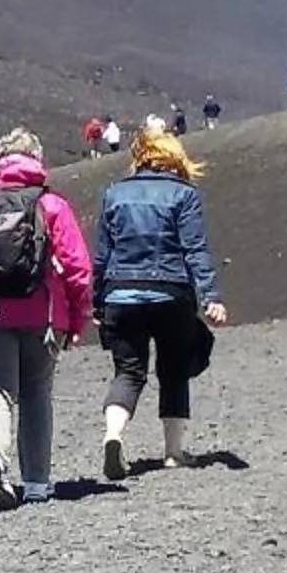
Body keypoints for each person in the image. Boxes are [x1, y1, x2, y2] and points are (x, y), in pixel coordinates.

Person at [0, 128, 94, 510]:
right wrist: (77, 320)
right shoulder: (52, 206)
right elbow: (78, 270)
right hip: (44, 315)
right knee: (36, 392)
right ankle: (37, 482)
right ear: (37, 160)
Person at [91, 125, 228, 478]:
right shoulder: (183, 194)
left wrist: (97, 302)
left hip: (120, 292)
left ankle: (113, 435)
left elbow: (103, 255)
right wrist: (211, 296)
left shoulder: (114, 193)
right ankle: (172, 452)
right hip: (171, 293)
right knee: (174, 369)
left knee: (128, 372)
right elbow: (194, 249)